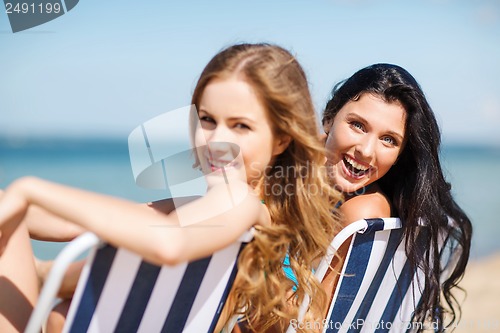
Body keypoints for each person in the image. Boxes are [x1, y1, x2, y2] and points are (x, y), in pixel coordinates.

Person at [0, 43, 342, 333]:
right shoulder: (231, 207)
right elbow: (76, 223)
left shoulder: (239, 201)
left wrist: (29, 190)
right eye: (207, 120)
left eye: (241, 126)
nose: (217, 141)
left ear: (281, 139)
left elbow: (168, 242)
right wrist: (15, 206)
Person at [320, 63, 472, 330]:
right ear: (329, 118)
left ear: (401, 154)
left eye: (388, 139)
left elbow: (313, 321)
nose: (366, 151)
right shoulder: (292, 175)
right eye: (357, 125)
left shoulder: (363, 212)